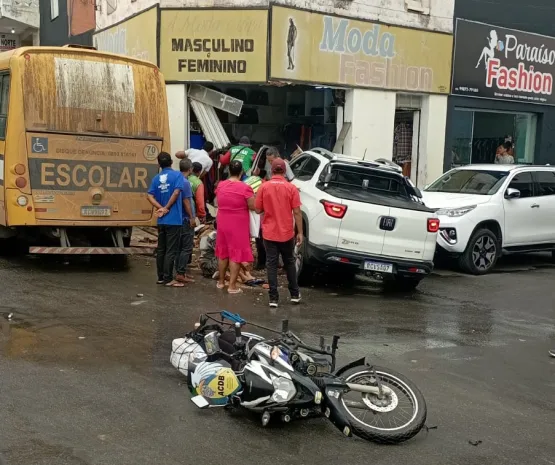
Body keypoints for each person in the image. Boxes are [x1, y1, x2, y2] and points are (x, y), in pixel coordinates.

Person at [255, 158, 303, 308]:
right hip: (287, 233)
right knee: (289, 262)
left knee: (271, 263)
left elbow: (257, 209)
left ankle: (273, 298)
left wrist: (268, 208)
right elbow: (297, 212)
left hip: (269, 232)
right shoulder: (292, 188)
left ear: (271, 170)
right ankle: (294, 294)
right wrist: (299, 232)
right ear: (284, 170)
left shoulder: (264, 187)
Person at [215, 160, 256, 294]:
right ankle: (232, 286)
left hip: (222, 221)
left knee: (223, 252)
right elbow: (252, 206)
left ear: (229, 171)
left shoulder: (221, 185)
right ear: (241, 172)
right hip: (238, 223)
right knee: (236, 253)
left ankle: (221, 282)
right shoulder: (245, 188)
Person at [147, 152, 184, 286]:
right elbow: (176, 192)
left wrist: (160, 207)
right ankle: (169, 279)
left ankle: (161, 277)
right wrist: (167, 207)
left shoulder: (156, 178)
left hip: (161, 220)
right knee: (171, 250)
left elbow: (149, 196)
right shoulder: (177, 175)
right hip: (173, 220)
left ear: (159, 164)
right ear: (171, 162)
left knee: (161, 248)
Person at [173, 159, 197, 287]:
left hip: (177, 218)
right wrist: (192, 217)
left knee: (178, 247)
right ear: (190, 169)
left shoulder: (175, 180)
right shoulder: (185, 183)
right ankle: (181, 273)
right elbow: (186, 202)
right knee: (186, 247)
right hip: (185, 219)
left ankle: (179, 271)